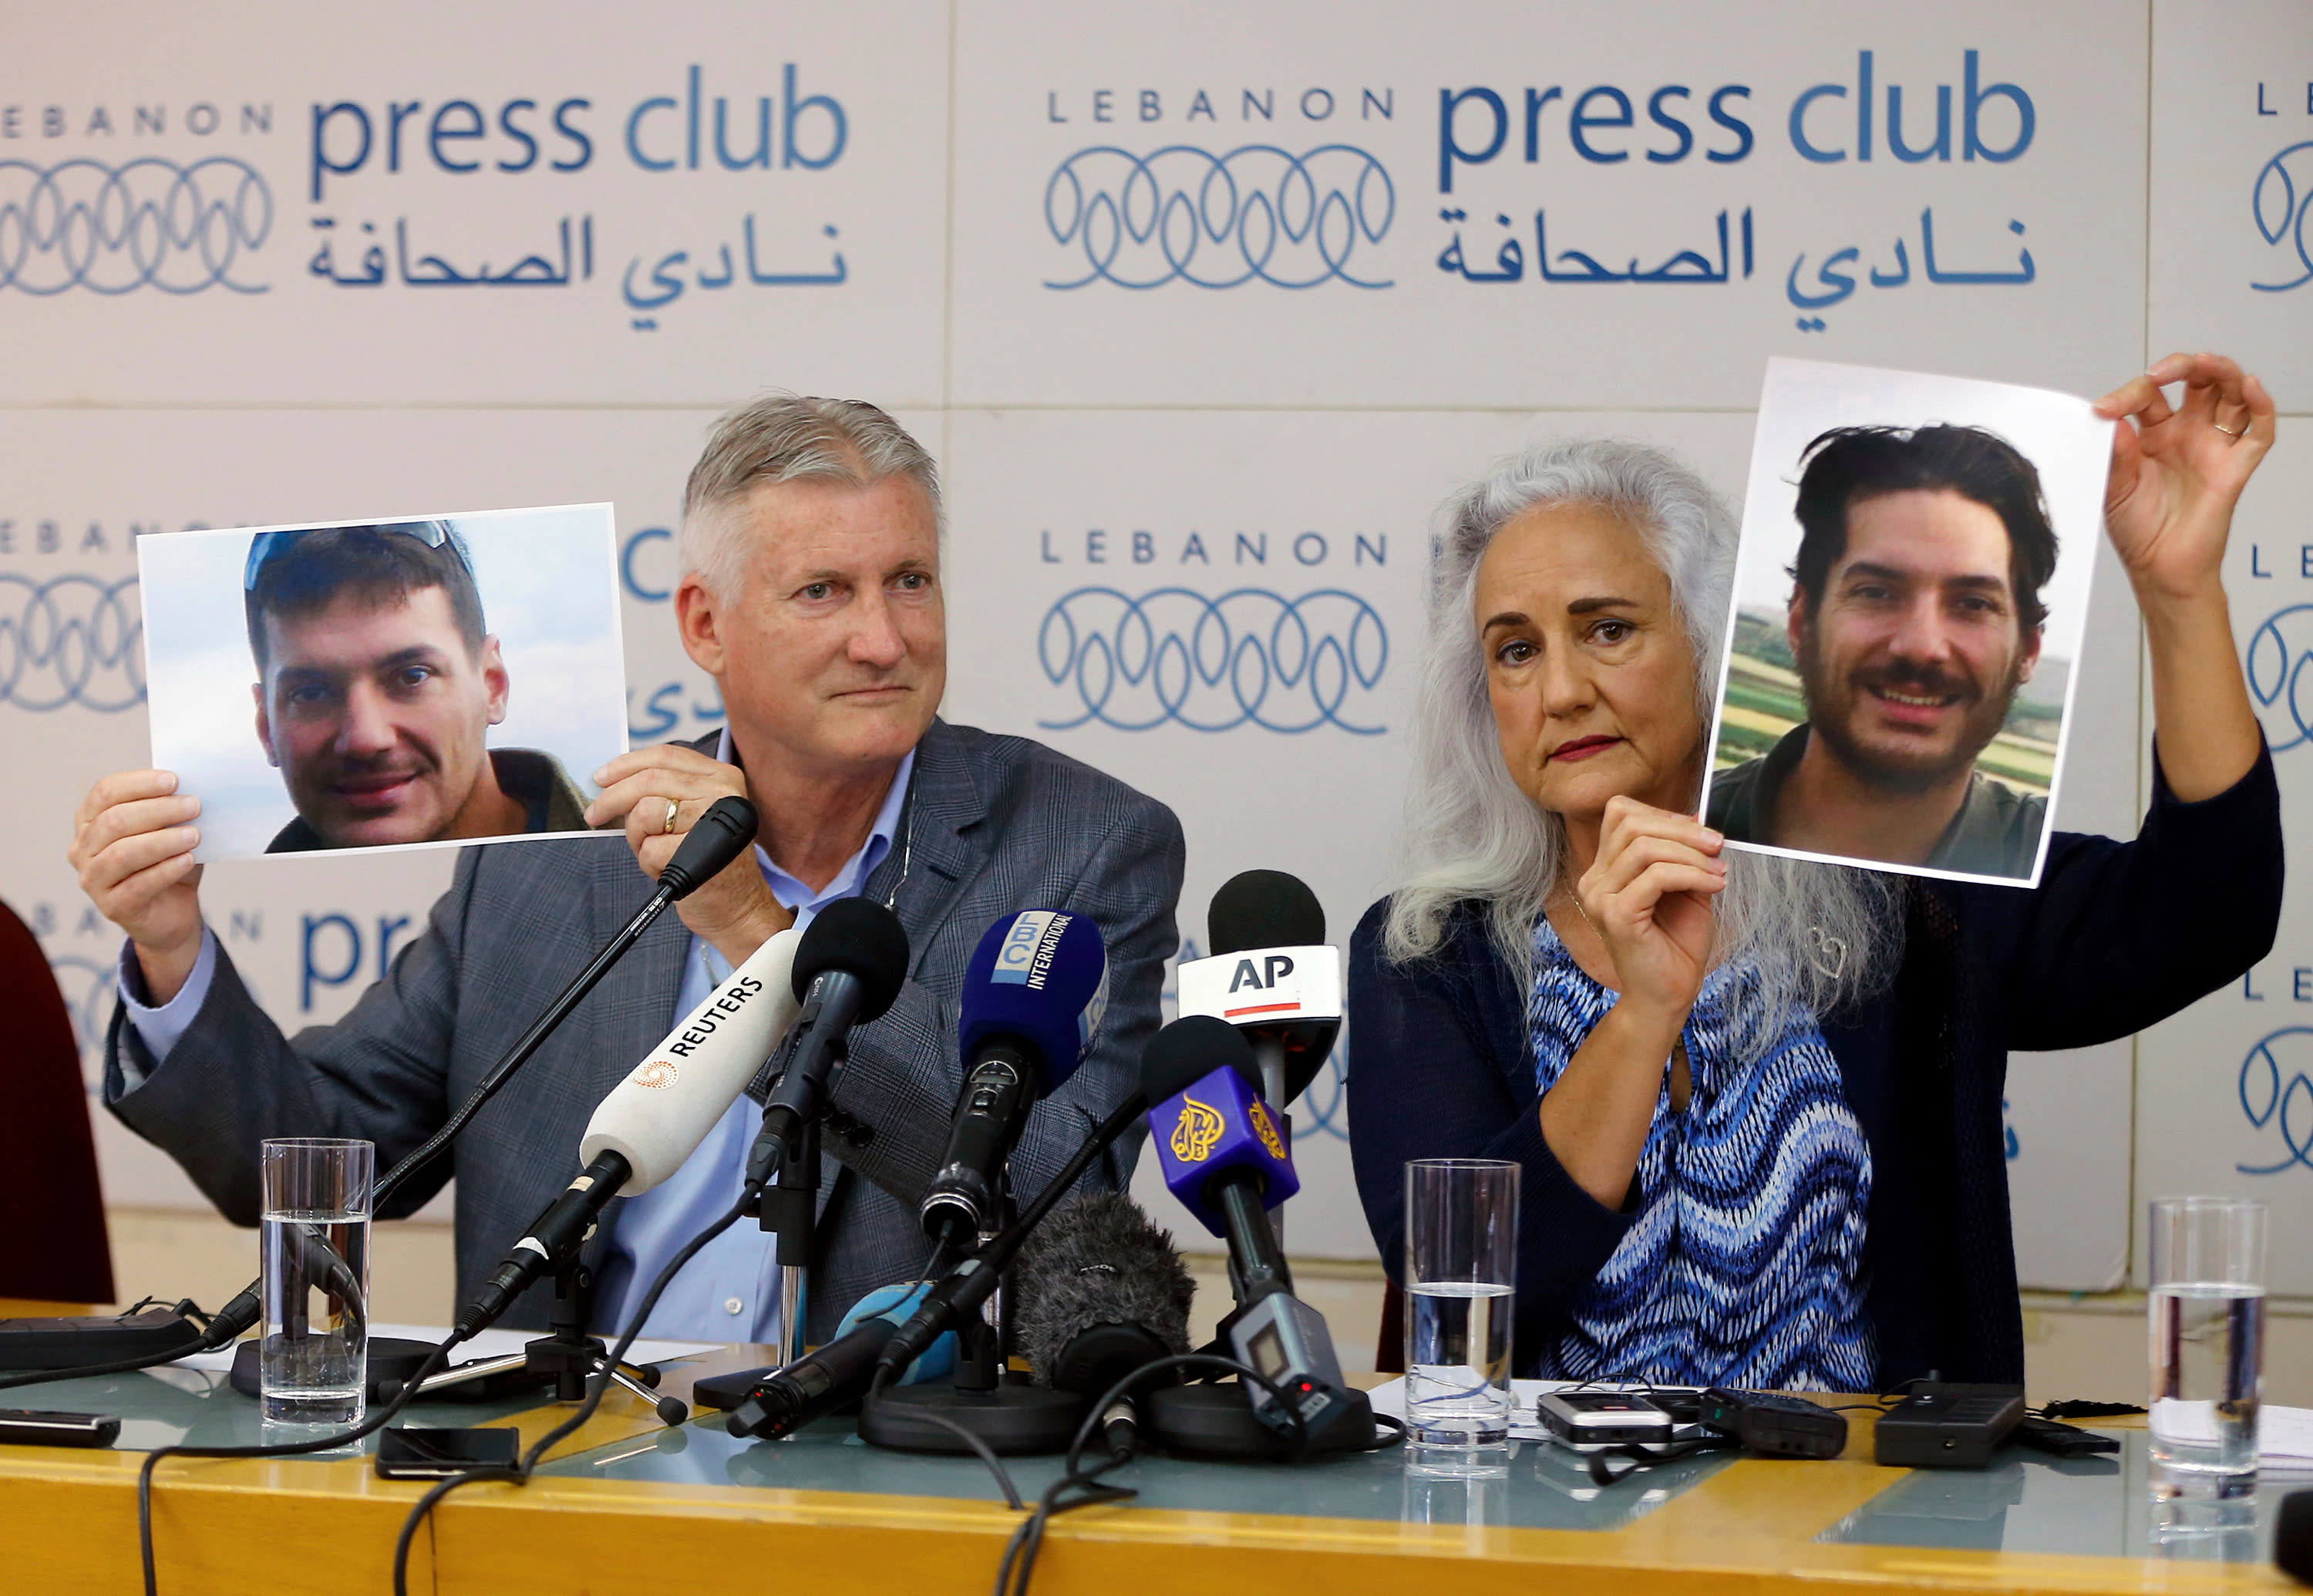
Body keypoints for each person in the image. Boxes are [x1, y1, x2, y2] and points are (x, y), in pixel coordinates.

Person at [68, 397, 1185, 1342]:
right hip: (562, 1463)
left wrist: (759, 932)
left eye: (909, 580)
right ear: (706, 624)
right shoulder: (563, 863)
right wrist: (172, 953)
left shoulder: (1081, 845)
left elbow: (1054, 1196)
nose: (885, 639)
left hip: (881, 1470)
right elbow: (311, 1165)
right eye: (822, 592)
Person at [1348, 354, 2280, 1389]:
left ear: (1708, 643)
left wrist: (2179, 587)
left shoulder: (1893, 884)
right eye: (1514, 650)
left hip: (1866, 1524)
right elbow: (1462, 1288)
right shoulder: (1430, 947)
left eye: (1608, 629)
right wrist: (1643, 1012)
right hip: (1548, 1525)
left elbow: (2209, 909)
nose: (1561, 688)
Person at [1709, 426, 2059, 877]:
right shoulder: (1678, 830)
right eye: (1876, 593)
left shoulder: (2059, 869)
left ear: (2028, 651)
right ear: (1801, 621)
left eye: (1973, 604)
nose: (1921, 647)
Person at [242, 520, 589, 852]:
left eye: (412, 676)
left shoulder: (635, 867)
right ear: (265, 729)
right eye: (311, 693)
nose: (366, 739)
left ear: (492, 686)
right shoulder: (212, 905)